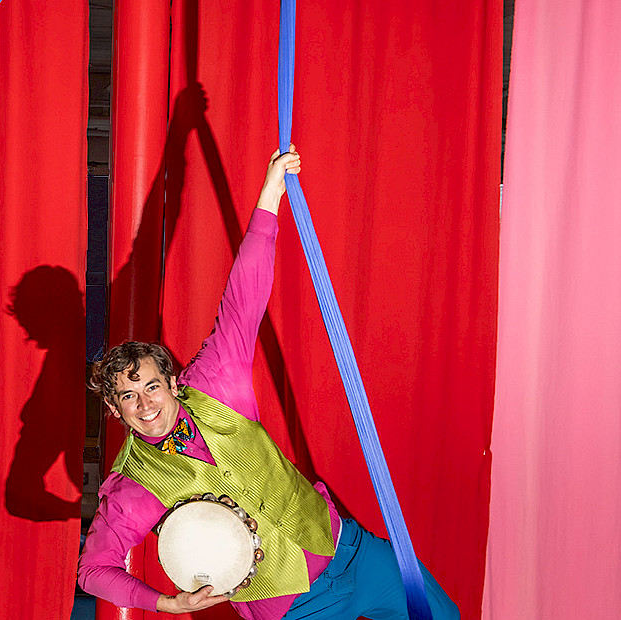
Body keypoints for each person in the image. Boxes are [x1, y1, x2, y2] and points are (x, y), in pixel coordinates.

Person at [75, 148, 460, 619]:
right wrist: (166, 602)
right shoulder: (131, 487)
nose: (144, 404)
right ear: (115, 412)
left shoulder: (214, 382)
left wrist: (271, 194)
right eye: (128, 398)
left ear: (173, 383)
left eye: (151, 387)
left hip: (353, 552)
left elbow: (244, 297)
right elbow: (94, 570)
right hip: (293, 610)